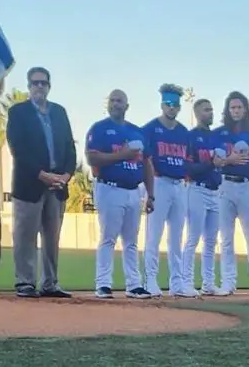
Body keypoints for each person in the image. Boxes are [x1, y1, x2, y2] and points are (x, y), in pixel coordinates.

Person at [6, 66, 77, 299]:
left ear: (49, 86)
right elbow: (18, 148)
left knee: (52, 238)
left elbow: (69, 147)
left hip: (57, 185)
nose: (39, 87)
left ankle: (50, 283)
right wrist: (41, 174)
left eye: (43, 83)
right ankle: (25, 282)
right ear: (29, 86)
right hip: (30, 183)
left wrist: (66, 175)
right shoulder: (19, 112)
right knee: (25, 236)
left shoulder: (59, 112)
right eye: (35, 83)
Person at [86, 89, 154, 299]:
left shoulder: (137, 132)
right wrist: (121, 155)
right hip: (110, 187)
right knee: (108, 238)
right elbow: (92, 159)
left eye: (120, 101)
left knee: (131, 241)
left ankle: (134, 284)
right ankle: (103, 284)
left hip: (134, 190)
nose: (116, 104)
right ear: (108, 105)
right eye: (113, 101)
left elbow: (147, 164)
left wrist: (150, 194)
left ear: (127, 106)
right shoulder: (99, 129)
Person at [213, 91, 249, 297]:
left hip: (246, 186)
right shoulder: (219, 133)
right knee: (226, 238)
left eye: (239, 107)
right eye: (232, 107)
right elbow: (214, 160)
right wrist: (229, 160)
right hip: (225, 185)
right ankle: (228, 282)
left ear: (245, 109)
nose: (236, 111)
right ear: (228, 110)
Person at [141, 84, 190, 297]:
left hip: (179, 185)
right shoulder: (150, 129)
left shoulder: (183, 132)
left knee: (176, 237)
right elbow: (145, 159)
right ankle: (150, 279)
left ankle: (176, 282)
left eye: (176, 105)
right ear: (162, 105)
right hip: (159, 182)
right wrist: (148, 190)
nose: (172, 108)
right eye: (169, 104)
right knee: (154, 235)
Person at [178, 98, 222, 297]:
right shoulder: (191, 136)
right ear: (197, 113)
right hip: (197, 189)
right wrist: (211, 163)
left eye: (211, 109)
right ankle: (186, 282)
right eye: (206, 110)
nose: (210, 113)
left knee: (211, 241)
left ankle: (208, 283)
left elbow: (220, 164)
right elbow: (188, 168)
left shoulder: (216, 137)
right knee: (193, 238)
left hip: (215, 190)